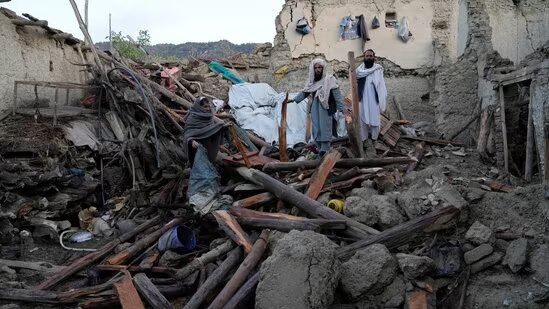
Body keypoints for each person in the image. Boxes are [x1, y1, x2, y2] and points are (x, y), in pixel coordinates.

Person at [288, 58, 344, 157]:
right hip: (315, 107)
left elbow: (337, 94)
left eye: (319, 67)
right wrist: (294, 100)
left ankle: (325, 149)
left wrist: (341, 108)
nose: (317, 70)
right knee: (316, 128)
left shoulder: (330, 79)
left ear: (323, 68)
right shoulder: (312, 82)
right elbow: (305, 92)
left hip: (326, 107)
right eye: (316, 68)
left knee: (325, 127)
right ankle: (319, 148)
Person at [356, 49, 387, 157]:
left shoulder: (378, 69)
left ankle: (374, 139)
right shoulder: (359, 70)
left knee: (375, 118)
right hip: (363, 97)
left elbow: (381, 84)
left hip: (374, 97)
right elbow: (355, 78)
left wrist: (382, 97)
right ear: (364, 57)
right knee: (362, 116)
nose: (369, 57)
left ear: (374, 57)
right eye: (367, 56)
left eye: (371, 56)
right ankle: (365, 139)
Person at [182, 97, 227, 167]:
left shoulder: (208, 117)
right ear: (198, 107)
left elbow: (210, 130)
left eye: (208, 106)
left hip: (207, 147)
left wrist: (221, 127)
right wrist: (191, 141)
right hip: (195, 149)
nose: (208, 109)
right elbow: (187, 134)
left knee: (208, 166)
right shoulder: (192, 118)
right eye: (205, 107)